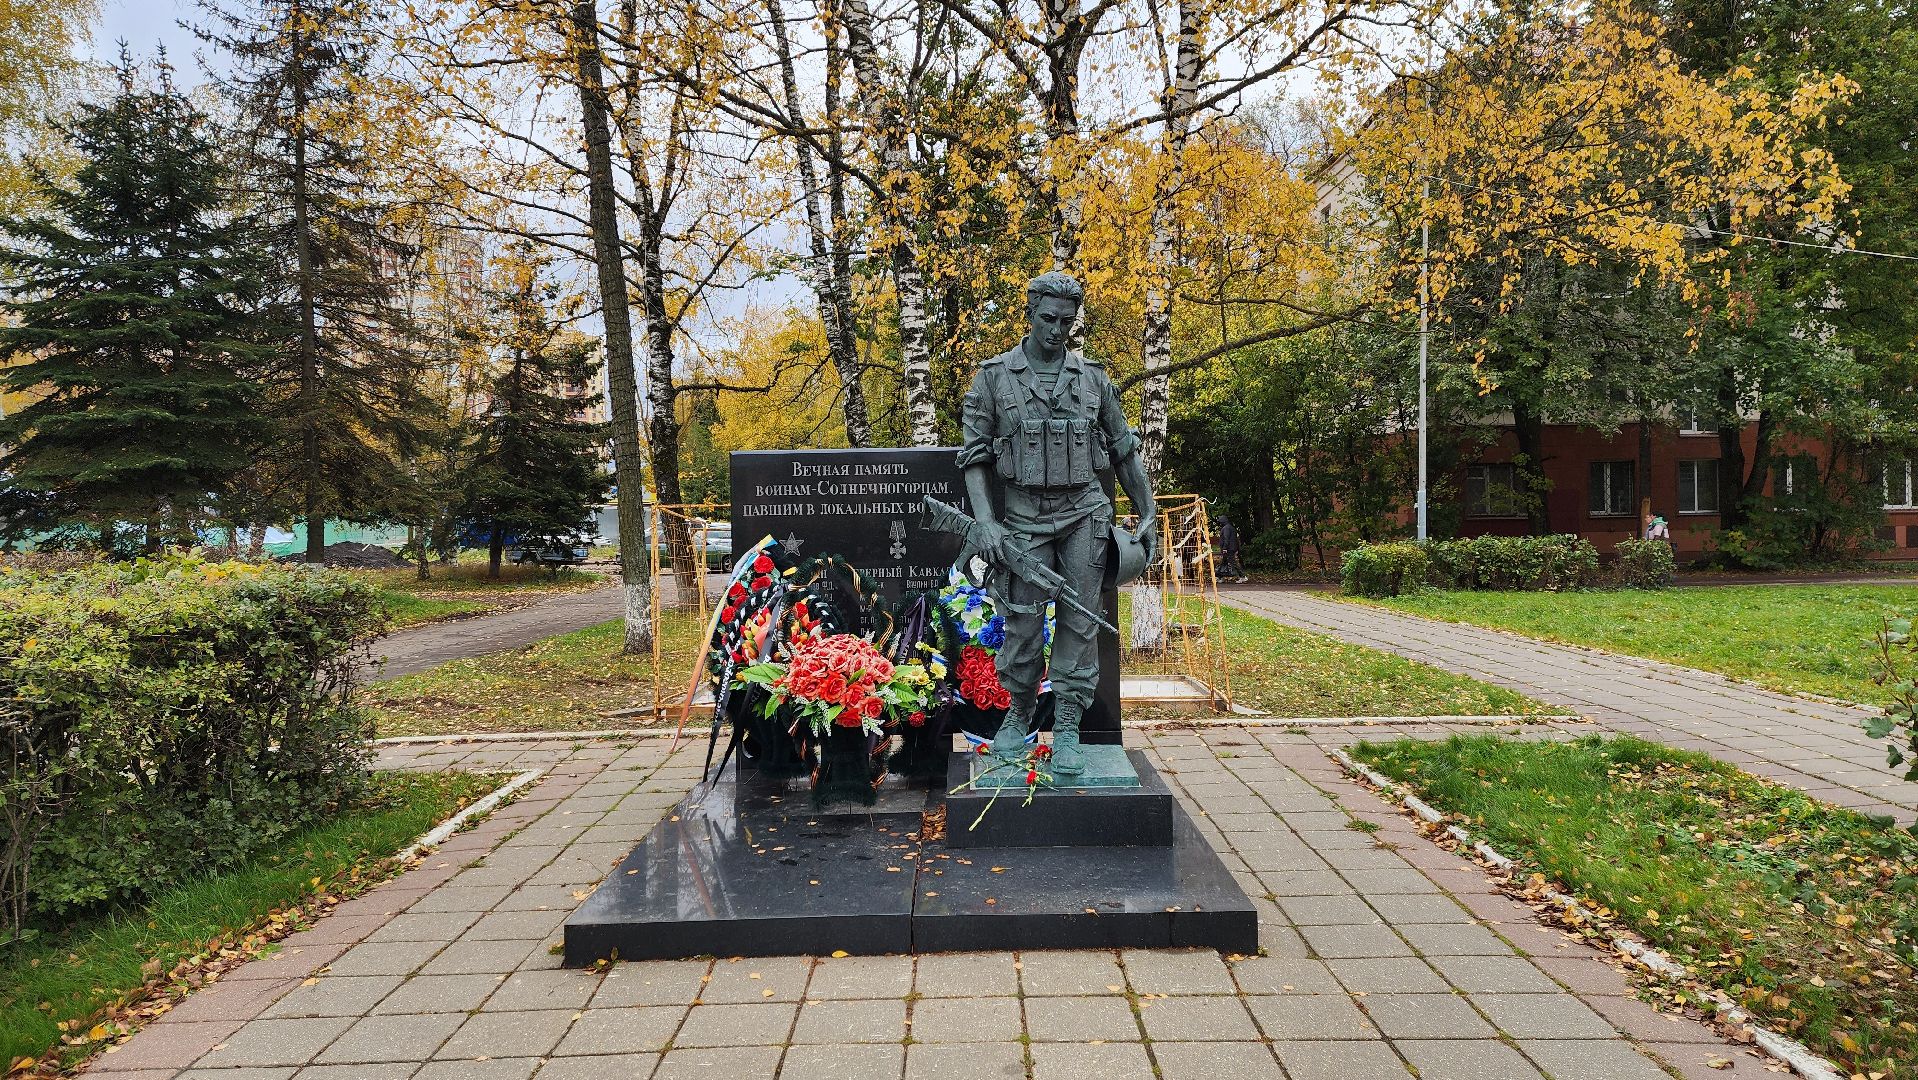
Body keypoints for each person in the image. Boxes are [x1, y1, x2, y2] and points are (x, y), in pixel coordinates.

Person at [957, 271, 1159, 775]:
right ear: (1030, 313)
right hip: (1024, 518)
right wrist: (986, 523)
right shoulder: (993, 378)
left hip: (1084, 514)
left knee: (1081, 619)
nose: (1056, 330)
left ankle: (1068, 722)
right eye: (1048, 318)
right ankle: (1020, 712)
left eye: (1067, 321)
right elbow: (975, 456)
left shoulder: (1093, 379)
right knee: (1023, 621)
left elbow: (1122, 448)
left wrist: (1147, 507)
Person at [1218, 516, 1247, 583]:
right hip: (1232, 548)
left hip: (1228, 549)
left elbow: (1226, 538)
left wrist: (1224, 548)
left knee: (1232, 562)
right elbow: (1235, 539)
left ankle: (1242, 576)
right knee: (1224, 562)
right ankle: (1220, 577)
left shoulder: (1226, 528)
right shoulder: (1231, 527)